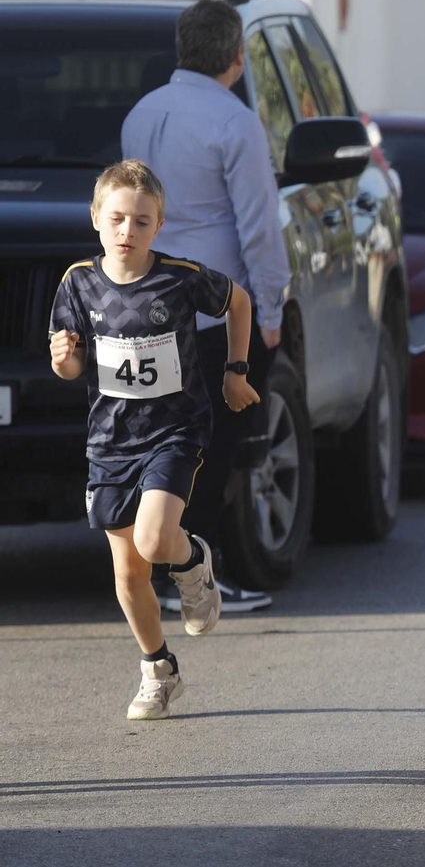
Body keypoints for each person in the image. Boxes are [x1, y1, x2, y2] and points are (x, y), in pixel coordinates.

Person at [49, 161, 258, 719]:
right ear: (96, 218)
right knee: (128, 571)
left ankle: (192, 562)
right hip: (110, 441)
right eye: (116, 218)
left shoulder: (180, 277)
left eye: (141, 221)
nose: (127, 231)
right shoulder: (78, 282)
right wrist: (67, 361)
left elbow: (239, 302)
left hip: (175, 429)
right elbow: (69, 366)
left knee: (156, 539)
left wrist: (234, 370)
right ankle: (158, 670)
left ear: (159, 225)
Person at [122, 0, 282, 613]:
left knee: (161, 443)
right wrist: (269, 313)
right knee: (211, 449)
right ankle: (192, 577)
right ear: (237, 58)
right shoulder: (234, 120)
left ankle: (164, 572)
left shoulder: (141, 114)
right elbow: (260, 229)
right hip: (216, 315)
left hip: (145, 308)